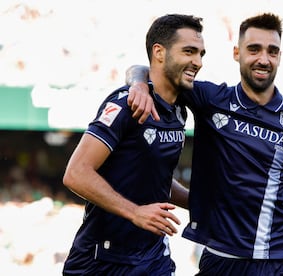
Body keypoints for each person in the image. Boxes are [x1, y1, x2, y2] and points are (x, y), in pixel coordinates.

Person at [126, 13, 283, 275]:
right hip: (221, 261)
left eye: (272, 51)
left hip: (280, 262)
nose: (263, 59)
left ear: (280, 57)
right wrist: (139, 86)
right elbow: (146, 69)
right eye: (254, 49)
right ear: (237, 53)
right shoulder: (209, 99)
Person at [62, 14, 205, 275]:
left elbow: (155, 178)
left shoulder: (179, 111)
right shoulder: (125, 105)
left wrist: (199, 202)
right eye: (189, 51)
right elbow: (76, 173)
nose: (197, 62)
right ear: (159, 53)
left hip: (153, 259)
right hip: (101, 260)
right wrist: (135, 212)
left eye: (201, 54)